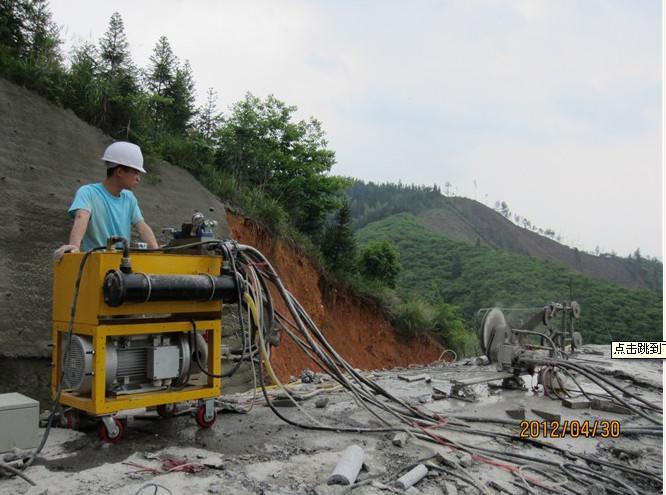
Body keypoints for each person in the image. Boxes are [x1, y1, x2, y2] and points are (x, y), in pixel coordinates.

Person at [54, 141, 159, 261]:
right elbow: (81, 217)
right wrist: (74, 247)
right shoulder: (88, 192)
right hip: (96, 262)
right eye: (135, 172)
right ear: (119, 172)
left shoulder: (129, 198)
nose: (138, 178)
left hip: (123, 263)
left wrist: (156, 251)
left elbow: (142, 226)